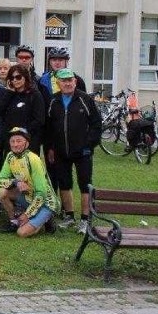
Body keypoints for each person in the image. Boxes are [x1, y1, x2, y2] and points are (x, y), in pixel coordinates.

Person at [44, 68, 101, 234]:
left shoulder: (85, 99)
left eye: (70, 80)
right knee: (64, 183)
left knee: (85, 184)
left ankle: (85, 220)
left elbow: (97, 125)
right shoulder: (53, 101)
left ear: (75, 82)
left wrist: (88, 145)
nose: (67, 83)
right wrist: (50, 148)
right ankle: (69, 216)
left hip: (82, 151)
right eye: (64, 81)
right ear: (58, 83)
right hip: (61, 150)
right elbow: (49, 128)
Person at [0, 127, 60, 237]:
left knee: (22, 233)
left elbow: (42, 193)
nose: (15, 144)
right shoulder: (10, 156)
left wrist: (27, 215)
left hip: (46, 202)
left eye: (19, 141)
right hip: (28, 196)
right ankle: (14, 222)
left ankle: (47, 218)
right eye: (12, 141)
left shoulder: (33, 159)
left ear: (27, 143)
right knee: (2, 192)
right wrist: (16, 182)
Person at [0, 64, 45, 155]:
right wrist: (9, 93)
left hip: (29, 140)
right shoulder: (9, 94)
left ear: (25, 77)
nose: (15, 80)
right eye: (12, 77)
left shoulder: (35, 95)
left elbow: (39, 120)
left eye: (18, 77)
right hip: (11, 141)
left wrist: (21, 133)